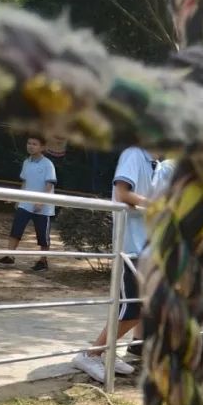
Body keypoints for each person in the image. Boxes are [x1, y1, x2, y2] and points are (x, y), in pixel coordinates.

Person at [72, 146, 158, 382]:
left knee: (140, 307)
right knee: (132, 309)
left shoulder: (156, 165)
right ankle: (92, 354)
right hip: (130, 247)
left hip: (148, 248)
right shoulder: (134, 154)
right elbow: (122, 193)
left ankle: (103, 351)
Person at [0, 134, 57, 271]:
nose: (31, 146)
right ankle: (10, 257)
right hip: (25, 204)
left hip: (43, 207)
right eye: (29, 143)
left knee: (43, 236)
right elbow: (25, 182)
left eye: (34, 144)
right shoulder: (26, 162)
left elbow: (49, 184)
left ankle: (43, 261)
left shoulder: (48, 164)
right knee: (16, 230)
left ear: (42, 147)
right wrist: (19, 198)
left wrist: (41, 201)